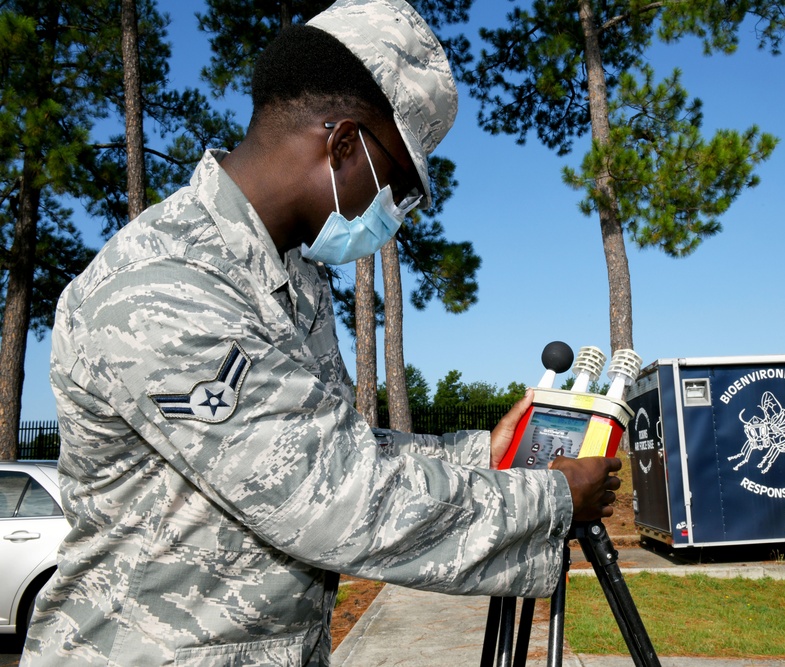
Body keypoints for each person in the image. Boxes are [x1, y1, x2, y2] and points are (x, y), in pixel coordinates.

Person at [22, 0, 621, 665]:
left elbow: (334, 445)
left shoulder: (290, 276)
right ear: (342, 146)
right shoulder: (166, 285)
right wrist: (550, 500)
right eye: (396, 183)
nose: (394, 210)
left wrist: (481, 452)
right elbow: (331, 494)